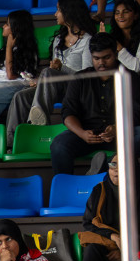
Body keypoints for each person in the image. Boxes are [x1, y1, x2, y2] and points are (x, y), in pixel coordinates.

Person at [9, 0, 96, 129]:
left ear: (69, 12)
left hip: (76, 88)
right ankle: (11, 143)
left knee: (48, 72)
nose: (55, 14)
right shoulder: (58, 39)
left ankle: (38, 123)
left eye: (59, 10)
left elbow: (86, 75)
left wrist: (62, 68)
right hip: (55, 87)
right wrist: (41, 80)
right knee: (20, 96)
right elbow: (53, 72)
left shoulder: (87, 40)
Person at [52, 33, 127, 173]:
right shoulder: (80, 78)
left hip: (121, 135)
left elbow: (135, 113)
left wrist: (117, 128)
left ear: (115, 54)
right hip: (87, 133)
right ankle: (67, 187)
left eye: (106, 57)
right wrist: (82, 133)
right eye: (96, 58)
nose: (101, 63)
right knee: (59, 145)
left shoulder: (128, 78)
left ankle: (102, 170)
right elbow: (68, 112)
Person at [80, 158, 123, 261]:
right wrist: (113, 237)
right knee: (92, 249)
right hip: (108, 248)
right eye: (112, 165)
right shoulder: (99, 190)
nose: (116, 169)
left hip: (134, 251)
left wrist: (124, 252)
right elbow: (88, 223)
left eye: (121, 164)